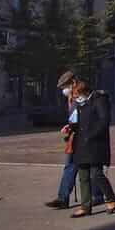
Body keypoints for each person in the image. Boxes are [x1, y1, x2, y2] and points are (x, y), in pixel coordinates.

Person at [44, 71, 103, 210]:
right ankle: (62, 198)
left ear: (73, 82)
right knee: (70, 165)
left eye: (65, 86)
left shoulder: (87, 95)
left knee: (92, 167)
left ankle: (97, 195)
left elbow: (94, 116)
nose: (64, 90)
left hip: (87, 136)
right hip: (74, 136)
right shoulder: (71, 97)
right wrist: (69, 126)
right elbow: (74, 116)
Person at [69, 79, 115, 218]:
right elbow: (77, 120)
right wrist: (71, 127)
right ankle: (85, 206)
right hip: (81, 143)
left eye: (77, 95)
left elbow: (104, 121)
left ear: (84, 92)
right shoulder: (80, 103)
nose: (76, 98)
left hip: (95, 143)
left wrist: (91, 135)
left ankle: (111, 198)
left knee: (96, 174)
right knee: (83, 175)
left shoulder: (99, 100)